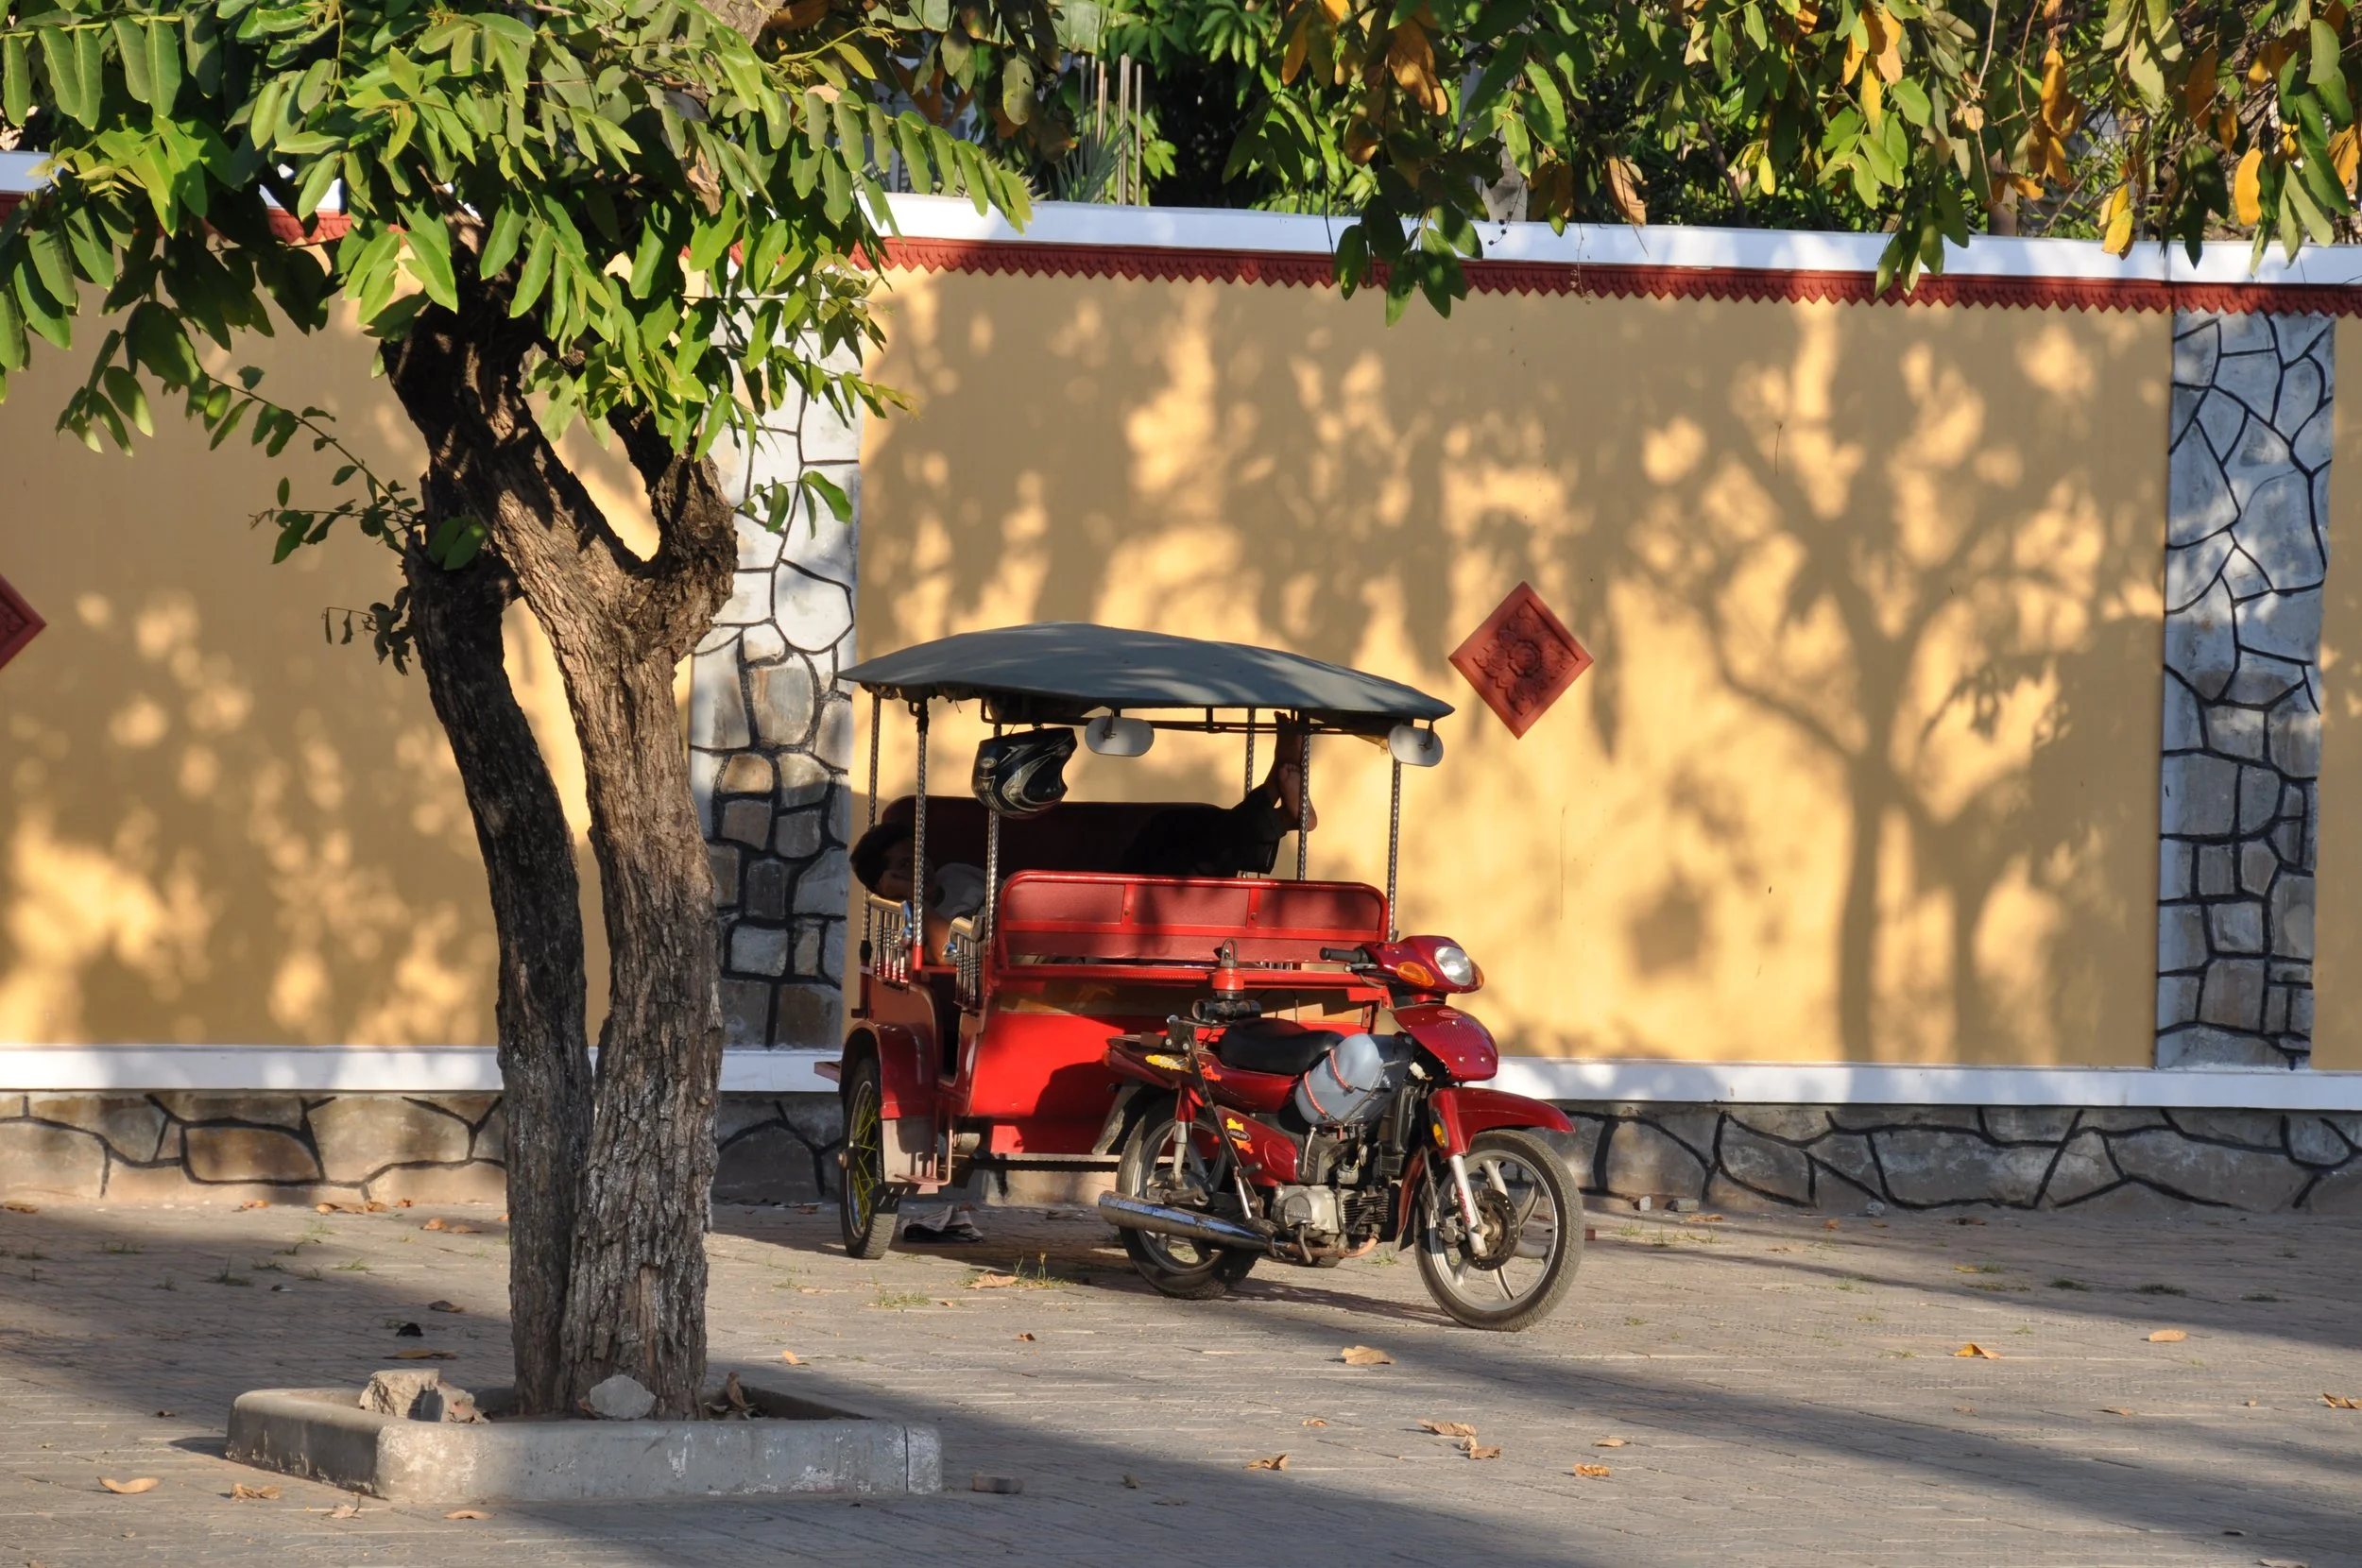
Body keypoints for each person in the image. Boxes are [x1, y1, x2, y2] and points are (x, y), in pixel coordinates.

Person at [1118, 719, 1318, 878]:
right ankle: (1278, 796)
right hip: (1145, 887)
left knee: (1186, 825)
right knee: (1202, 852)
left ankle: (1282, 812)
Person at [848, 819, 984, 963]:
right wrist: (913, 895)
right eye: (905, 864)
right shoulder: (909, 931)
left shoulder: (952, 872)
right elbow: (954, 954)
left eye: (919, 854)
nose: (922, 865)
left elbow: (1003, 892)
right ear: (888, 883)